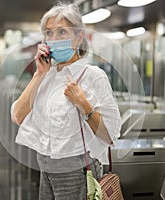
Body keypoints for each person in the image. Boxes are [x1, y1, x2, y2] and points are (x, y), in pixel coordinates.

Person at [10, 2, 121, 199]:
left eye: (62, 32)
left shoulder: (93, 76)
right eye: (49, 33)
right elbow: (17, 116)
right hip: (46, 168)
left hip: (77, 170)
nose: (54, 39)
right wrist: (39, 74)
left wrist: (83, 105)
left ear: (79, 38)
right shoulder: (47, 76)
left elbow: (110, 135)